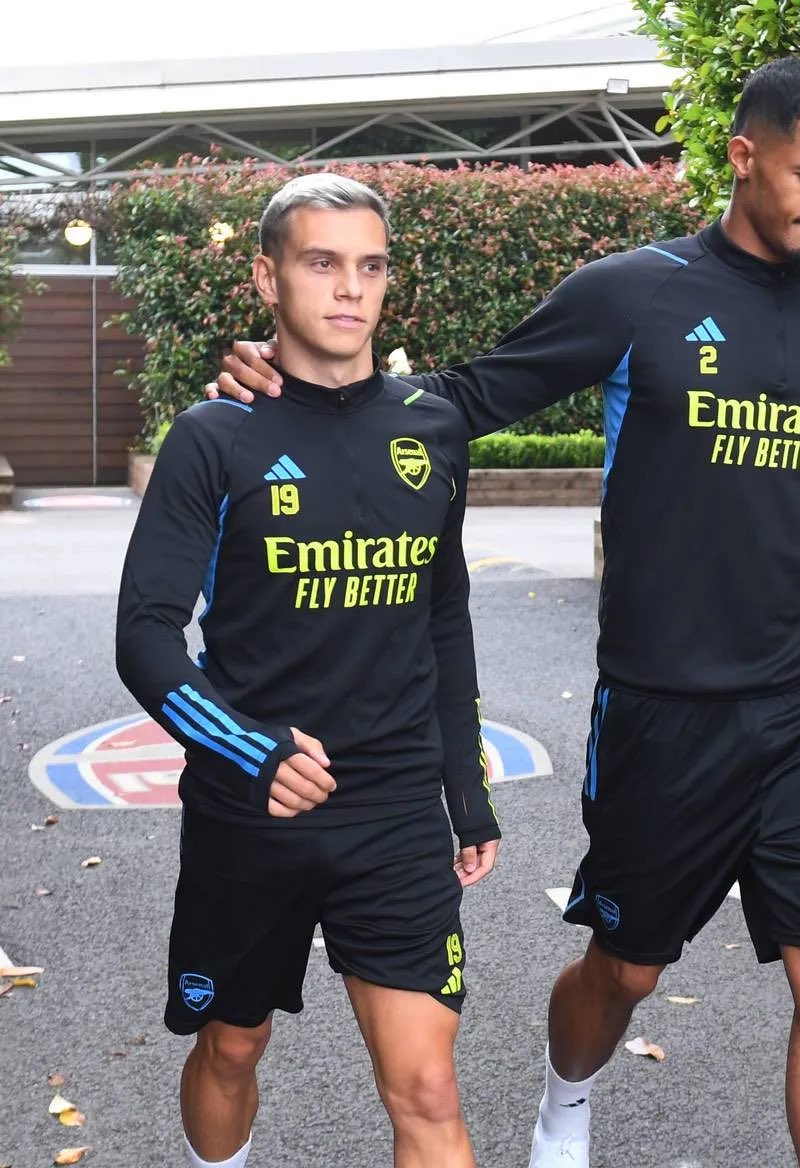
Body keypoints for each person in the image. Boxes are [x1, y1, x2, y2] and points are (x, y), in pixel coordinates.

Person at [210, 57, 800, 1168]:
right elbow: (461, 400)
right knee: (626, 970)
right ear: (742, 156)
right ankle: (565, 1097)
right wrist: (278, 384)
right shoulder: (638, 290)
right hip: (668, 712)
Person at [117, 172, 500, 1168]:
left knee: (426, 1084)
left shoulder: (433, 426)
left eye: (369, 266)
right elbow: (146, 636)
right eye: (321, 262)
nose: (348, 288)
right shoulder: (214, 437)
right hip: (255, 812)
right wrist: (251, 750)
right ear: (268, 276)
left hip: (394, 812)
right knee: (234, 1044)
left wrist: (466, 788)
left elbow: (443, 613)